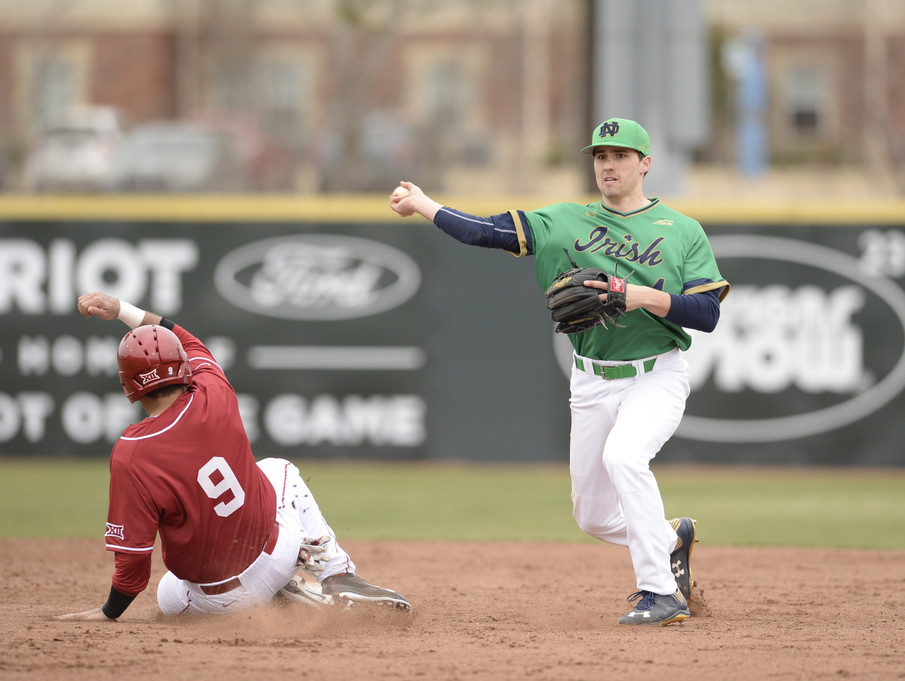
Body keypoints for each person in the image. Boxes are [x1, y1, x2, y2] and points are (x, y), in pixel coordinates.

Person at [390, 118, 729, 626]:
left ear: (645, 164)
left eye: (619, 155)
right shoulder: (563, 220)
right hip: (591, 378)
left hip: (656, 374)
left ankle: (660, 594)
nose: (608, 164)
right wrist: (424, 204)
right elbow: (486, 231)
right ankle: (668, 538)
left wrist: (636, 295)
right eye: (600, 156)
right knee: (591, 516)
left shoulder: (682, 231)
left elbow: (706, 315)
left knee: (624, 458)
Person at [56, 292, 410, 621]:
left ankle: (284, 594)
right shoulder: (214, 389)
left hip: (219, 600)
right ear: (182, 365)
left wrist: (110, 611)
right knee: (279, 469)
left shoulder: (130, 453)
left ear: (129, 385)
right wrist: (121, 309)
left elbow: (133, 565)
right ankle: (336, 573)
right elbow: (189, 339)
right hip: (278, 553)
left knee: (168, 591)